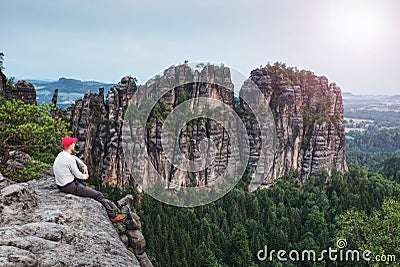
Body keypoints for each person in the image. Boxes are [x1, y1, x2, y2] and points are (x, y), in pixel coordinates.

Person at [53, 137, 126, 223]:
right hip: (69, 187)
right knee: (98, 195)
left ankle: (84, 188)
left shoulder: (61, 155)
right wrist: (86, 176)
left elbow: (74, 158)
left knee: (79, 180)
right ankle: (113, 216)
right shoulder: (69, 159)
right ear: (69, 146)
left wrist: (84, 166)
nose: (74, 145)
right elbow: (78, 175)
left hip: (61, 184)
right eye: (73, 143)